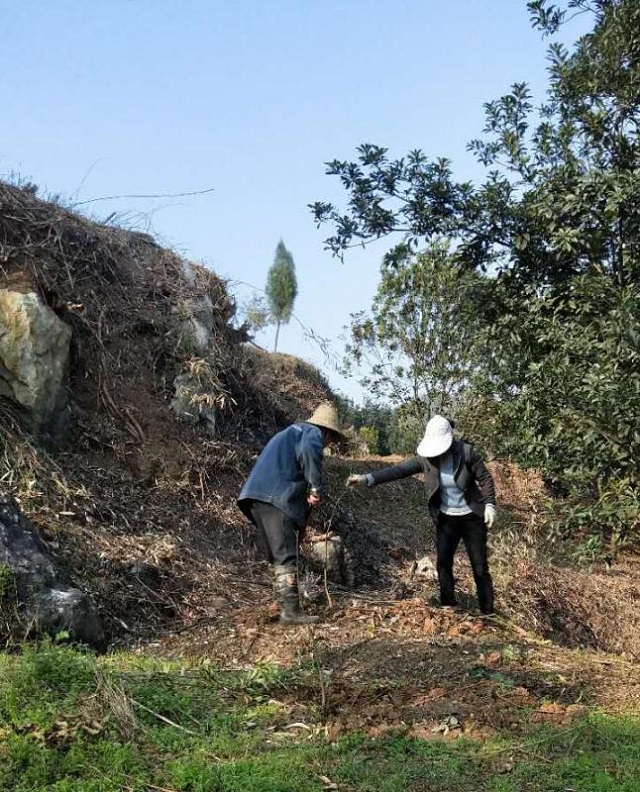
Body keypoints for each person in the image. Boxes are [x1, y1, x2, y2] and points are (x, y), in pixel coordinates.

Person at [347, 415, 497, 615]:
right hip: (446, 518)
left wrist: (489, 505)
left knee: (479, 567)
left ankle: (488, 612)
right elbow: (398, 470)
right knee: (443, 563)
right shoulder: (425, 458)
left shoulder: (466, 453)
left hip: (472, 517)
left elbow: (485, 479)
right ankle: (448, 607)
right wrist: (367, 478)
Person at [238, 402, 346, 625]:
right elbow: (309, 452)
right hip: (276, 498)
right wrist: (316, 488)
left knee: (277, 554)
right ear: (327, 431)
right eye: (332, 439)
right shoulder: (312, 433)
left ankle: (280, 604)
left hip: (254, 496)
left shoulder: (289, 432)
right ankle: (291, 612)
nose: (329, 444)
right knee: (286, 554)